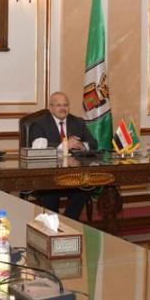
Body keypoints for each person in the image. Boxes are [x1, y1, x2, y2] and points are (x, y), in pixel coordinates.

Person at [27, 92, 97, 221]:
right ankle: (54, 225)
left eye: (65, 105)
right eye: (58, 105)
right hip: (48, 177)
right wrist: (64, 145)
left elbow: (93, 144)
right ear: (50, 107)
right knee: (50, 195)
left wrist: (82, 145)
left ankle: (67, 222)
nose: (63, 108)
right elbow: (38, 146)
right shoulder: (39, 124)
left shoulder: (78, 122)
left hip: (73, 177)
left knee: (85, 189)